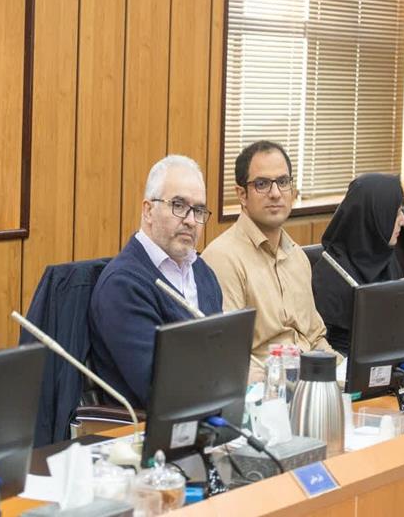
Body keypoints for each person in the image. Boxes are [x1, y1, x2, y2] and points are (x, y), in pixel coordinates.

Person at [89, 155, 222, 409]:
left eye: (199, 210)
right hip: (148, 427)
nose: (190, 221)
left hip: (213, 414)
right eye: (179, 205)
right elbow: (159, 388)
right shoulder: (122, 285)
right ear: (148, 210)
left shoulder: (202, 272)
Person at [202, 140, 339, 370]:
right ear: (242, 194)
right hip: (264, 385)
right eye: (262, 184)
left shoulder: (297, 256)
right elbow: (228, 355)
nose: (275, 194)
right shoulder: (222, 258)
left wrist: (340, 374)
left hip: (308, 377)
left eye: (283, 182)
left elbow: (316, 339)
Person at [313, 173, 404, 355]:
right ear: (374, 218)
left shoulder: (386, 259)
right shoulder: (329, 276)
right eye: (396, 213)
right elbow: (324, 348)